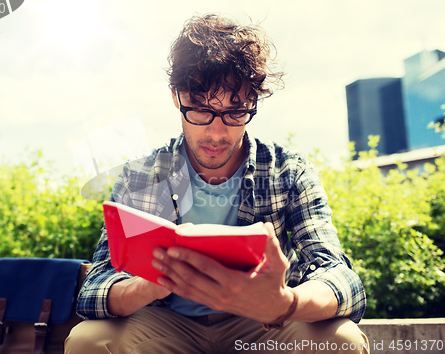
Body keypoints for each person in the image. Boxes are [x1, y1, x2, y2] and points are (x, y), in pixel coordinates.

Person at [65, 13, 369, 354]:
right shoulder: (142, 176)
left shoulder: (289, 171)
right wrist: (149, 286)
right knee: (88, 341)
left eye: (235, 112)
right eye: (199, 110)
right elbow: (94, 289)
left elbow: (340, 276)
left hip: (263, 325)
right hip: (167, 324)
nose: (216, 132)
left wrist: (285, 304)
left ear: (254, 102)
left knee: (342, 342)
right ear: (175, 96)